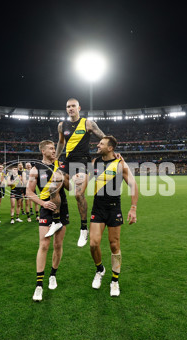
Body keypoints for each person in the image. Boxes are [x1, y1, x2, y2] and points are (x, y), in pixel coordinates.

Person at [88, 136, 138, 297]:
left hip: (113, 209)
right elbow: (84, 180)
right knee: (94, 244)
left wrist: (133, 208)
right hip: (98, 208)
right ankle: (100, 269)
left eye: (101, 144)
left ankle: (115, 281)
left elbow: (133, 185)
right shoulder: (95, 163)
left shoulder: (120, 164)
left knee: (114, 245)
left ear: (110, 148)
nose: (98, 145)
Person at [55, 98, 107, 247]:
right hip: (67, 161)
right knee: (54, 183)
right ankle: (57, 221)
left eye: (73, 106)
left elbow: (104, 137)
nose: (70, 108)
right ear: (66, 109)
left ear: (79, 108)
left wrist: (110, 151)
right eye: (68, 107)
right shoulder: (61, 125)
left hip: (83, 162)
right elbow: (60, 143)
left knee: (78, 194)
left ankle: (84, 228)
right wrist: (56, 157)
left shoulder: (87, 123)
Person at [26, 140, 70, 302]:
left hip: (62, 208)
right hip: (46, 209)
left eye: (54, 148)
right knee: (44, 244)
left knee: (58, 245)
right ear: (43, 151)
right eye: (51, 149)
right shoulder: (36, 169)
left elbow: (69, 187)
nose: (54, 151)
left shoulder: (60, 166)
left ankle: (53, 275)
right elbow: (29, 192)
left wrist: (63, 175)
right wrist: (43, 203)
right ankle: (39, 285)